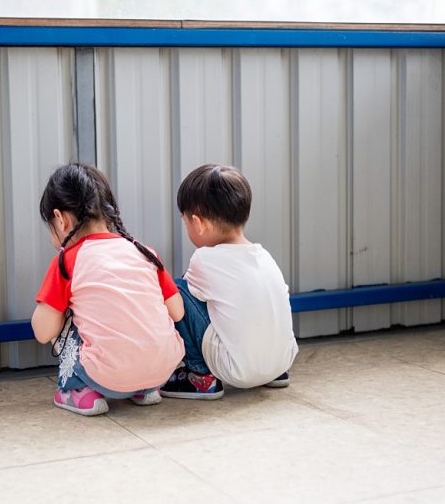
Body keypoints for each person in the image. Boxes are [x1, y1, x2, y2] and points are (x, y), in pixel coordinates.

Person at [31, 163, 185, 416]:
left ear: (60, 219)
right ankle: (144, 390)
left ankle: (78, 390)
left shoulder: (68, 260)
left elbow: (42, 331)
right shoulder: (144, 252)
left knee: (62, 315)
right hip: (162, 371)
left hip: (106, 376)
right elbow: (177, 312)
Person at [160, 164, 299, 400]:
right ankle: (273, 373)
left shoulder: (204, 259)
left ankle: (200, 376)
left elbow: (185, 308)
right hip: (282, 361)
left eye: (186, 222)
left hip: (236, 370)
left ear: (199, 223)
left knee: (177, 290)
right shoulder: (264, 256)